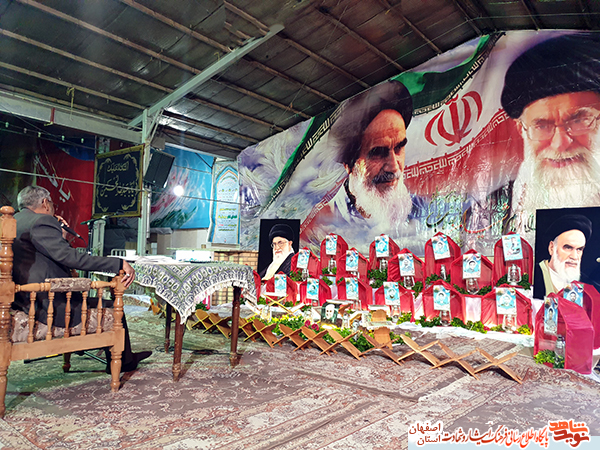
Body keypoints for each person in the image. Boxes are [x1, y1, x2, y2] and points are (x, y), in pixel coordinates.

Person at [12, 186, 151, 373]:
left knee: (98, 301)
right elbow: (71, 258)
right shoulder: (41, 221)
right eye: (52, 203)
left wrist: (61, 236)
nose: (53, 207)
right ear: (45, 203)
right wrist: (117, 263)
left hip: (22, 300)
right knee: (112, 305)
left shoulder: (14, 221)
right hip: (48, 304)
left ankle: (120, 356)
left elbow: (51, 255)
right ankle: (124, 361)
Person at [500, 33, 600, 240]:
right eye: (542, 126)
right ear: (521, 129)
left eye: (579, 121)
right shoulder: (493, 208)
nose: (560, 143)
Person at [301, 80, 421, 251]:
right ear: (349, 165)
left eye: (399, 148)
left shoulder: (419, 207)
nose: (394, 167)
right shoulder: (321, 227)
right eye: (378, 152)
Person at [533, 214, 592, 299]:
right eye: (568, 248)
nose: (574, 257)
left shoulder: (587, 282)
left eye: (579, 249)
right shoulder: (534, 274)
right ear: (552, 248)